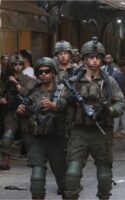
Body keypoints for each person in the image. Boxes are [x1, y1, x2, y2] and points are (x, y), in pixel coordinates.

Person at [63, 37, 125, 200]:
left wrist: (108, 110)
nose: (95, 60)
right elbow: (61, 103)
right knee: (73, 172)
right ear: (84, 59)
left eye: (98, 57)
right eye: (91, 57)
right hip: (79, 131)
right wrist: (68, 101)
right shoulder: (74, 82)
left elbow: (121, 103)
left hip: (102, 131)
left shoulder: (109, 81)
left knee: (104, 173)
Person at [16, 57, 68, 199]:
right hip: (36, 139)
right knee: (37, 178)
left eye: (47, 71)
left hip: (57, 139)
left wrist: (56, 106)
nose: (43, 74)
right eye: (40, 72)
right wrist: (20, 112)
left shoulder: (63, 91)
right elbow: (23, 115)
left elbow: (71, 110)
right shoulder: (31, 92)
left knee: (65, 182)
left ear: (54, 73)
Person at [0, 54, 37, 170]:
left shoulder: (28, 79)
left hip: (26, 111)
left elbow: (27, 93)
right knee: (7, 136)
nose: (17, 67)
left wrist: (16, 82)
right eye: (15, 65)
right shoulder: (4, 79)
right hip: (11, 111)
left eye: (20, 64)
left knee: (29, 137)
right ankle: (6, 161)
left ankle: (35, 160)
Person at [111, 57, 125, 138]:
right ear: (123, 66)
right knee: (117, 115)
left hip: (119, 98)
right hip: (118, 98)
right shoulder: (117, 75)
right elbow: (121, 88)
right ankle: (113, 131)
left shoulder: (117, 74)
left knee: (124, 114)